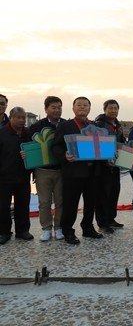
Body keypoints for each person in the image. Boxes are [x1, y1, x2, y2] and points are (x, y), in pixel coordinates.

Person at [52, 97, 103, 244]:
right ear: (73, 108)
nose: (82, 107)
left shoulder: (95, 127)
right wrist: (64, 155)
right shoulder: (65, 126)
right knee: (70, 204)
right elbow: (56, 146)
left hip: (93, 172)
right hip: (73, 173)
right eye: (79, 105)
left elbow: (102, 146)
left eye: (85, 105)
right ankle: (68, 230)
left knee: (90, 203)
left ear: (90, 108)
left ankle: (88, 228)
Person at [29, 96, 66, 241]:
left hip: (62, 170)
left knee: (60, 201)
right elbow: (29, 147)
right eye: (53, 107)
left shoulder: (66, 125)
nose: (57, 110)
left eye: (59, 107)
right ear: (46, 109)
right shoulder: (36, 126)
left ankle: (58, 228)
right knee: (44, 202)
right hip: (43, 171)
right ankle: (46, 228)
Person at [0, 107, 33, 244]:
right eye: (18, 117)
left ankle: (22, 231)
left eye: (23, 118)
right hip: (3, 177)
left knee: (23, 205)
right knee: (2, 206)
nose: (21, 120)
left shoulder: (29, 134)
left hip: (23, 176)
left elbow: (35, 152)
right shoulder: (2, 133)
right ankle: (3, 232)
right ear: (11, 117)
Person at [94, 99, 125, 233]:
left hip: (115, 165)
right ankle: (102, 222)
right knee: (103, 194)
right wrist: (105, 158)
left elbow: (122, 142)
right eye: (110, 108)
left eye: (115, 108)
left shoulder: (118, 125)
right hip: (103, 166)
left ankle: (111, 218)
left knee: (114, 192)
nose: (113, 110)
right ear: (104, 110)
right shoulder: (99, 124)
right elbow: (96, 143)